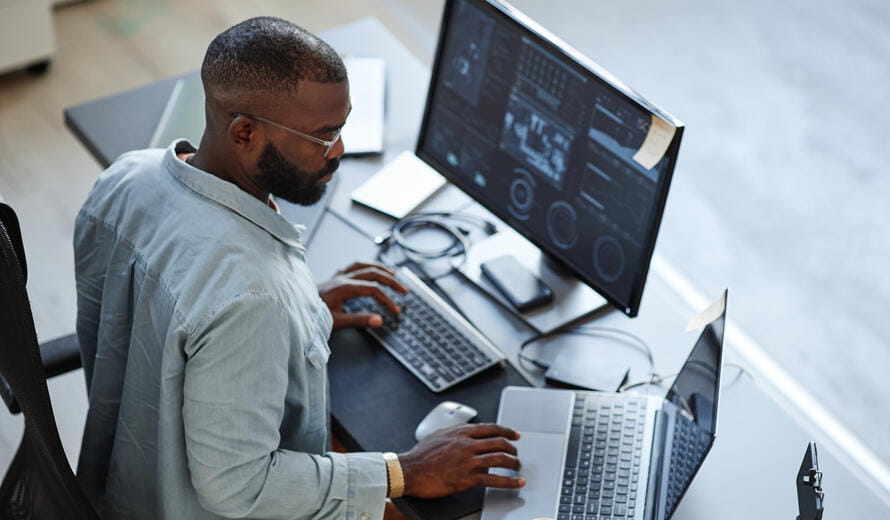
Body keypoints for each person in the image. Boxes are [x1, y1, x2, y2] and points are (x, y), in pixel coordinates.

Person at [74, 16, 524, 520]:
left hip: (119, 480)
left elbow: (167, 315)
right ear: (244, 132)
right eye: (323, 136)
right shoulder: (251, 296)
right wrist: (405, 472)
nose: (340, 151)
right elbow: (238, 488)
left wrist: (301, 311)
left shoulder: (125, 177)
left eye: (343, 127)